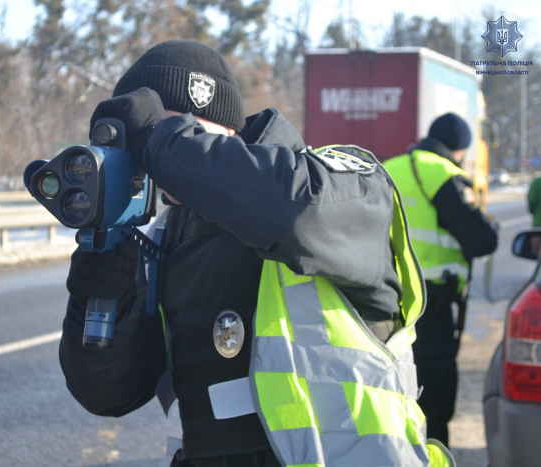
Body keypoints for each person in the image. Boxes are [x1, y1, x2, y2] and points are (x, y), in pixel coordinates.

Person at [59, 40, 453, 466]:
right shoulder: (164, 240)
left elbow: (298, 214)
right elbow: (109, 393)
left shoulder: (340, 186)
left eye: (173, 132)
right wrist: (99, 299)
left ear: (224, 130)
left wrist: (164, 142)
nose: (153, 160)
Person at [384, 112, 498, 447]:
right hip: (429, 307)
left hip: (384, 301)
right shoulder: (444, 174)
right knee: (433, 404)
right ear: (458, 149)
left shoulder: (389, 168)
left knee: (390, 393)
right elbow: (481, 242)